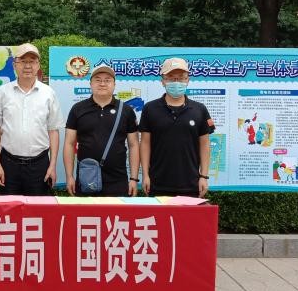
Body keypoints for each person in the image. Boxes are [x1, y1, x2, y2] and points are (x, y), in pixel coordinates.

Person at [0, 43, 64, 195]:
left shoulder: (48, 93)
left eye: (32, 61)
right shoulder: (3, 92)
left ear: (38, 65)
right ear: (14, 65)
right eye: (23, 61)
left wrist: (52, 165)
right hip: (8, 164)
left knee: (37, 208)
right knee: (9, 207)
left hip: (39, 165)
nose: (28, 66)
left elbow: (53, 131)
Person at [139, 57, 214, 198]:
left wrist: (204, 176)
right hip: (157, 183)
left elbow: (205, 144)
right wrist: (145, 175)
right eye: (171, 78)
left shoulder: (199, 109)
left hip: (191, 184)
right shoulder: (150, 108)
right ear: (163, 81)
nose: (176, 82)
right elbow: (145, 143)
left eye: (180, 78)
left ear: (187, 80)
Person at [64, 64, 139, 196]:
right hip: (87, 178)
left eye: (107, 80)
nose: (102, 84)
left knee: (117, 210)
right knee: (87, 210)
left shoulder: (126, 111)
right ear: (91, 84)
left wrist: (133, 178)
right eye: (98, 80)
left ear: (114, 84)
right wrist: (69, 176)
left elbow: (133, 145)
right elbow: (69, 144)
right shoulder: (78, 109)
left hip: (118, 180)